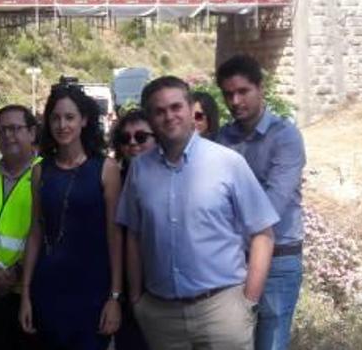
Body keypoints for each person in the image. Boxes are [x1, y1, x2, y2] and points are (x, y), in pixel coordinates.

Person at [118, 76, 279, 350]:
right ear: (151, 118)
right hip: (161, 315)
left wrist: (248, 301)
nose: (169, 116)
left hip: (222, 311)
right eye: (159, 111)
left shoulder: (228, 163)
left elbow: (263, 233)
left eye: (176, 107)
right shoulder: (140, 169)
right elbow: (133, 235)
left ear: (191, 108)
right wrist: (136, 299)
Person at [19, 85, 123, 350]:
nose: (62, 125)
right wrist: (26, 294)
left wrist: (115, 297)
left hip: (92, 292)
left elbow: (114, 237)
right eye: (55, 117)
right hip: (48, 288)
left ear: (84, 120)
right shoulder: (40, 172)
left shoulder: (105, 170)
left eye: (69, 117)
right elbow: (35, 232)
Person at [216, 54, 307, 350]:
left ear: (261, 88)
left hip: (279, 258)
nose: (235, 101)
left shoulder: (285, 137)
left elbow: (273, 205)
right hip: (232, 260)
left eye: (243, 91)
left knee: (270, 343)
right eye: (228, 94)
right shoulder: (222, 139)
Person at [0, 105, 41, 350]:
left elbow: (47, 231)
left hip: (28, 291)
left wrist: (16, 272)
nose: (7, 136)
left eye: (14, 129)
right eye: (1, 130)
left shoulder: (46, 173)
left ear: (32, 133)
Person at [109, 109, 154, 350]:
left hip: (165, 291)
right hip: (126, 291)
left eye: (141, 137)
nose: (133, 144)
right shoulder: (113, 179)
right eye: (125, 139)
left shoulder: (172, 176)